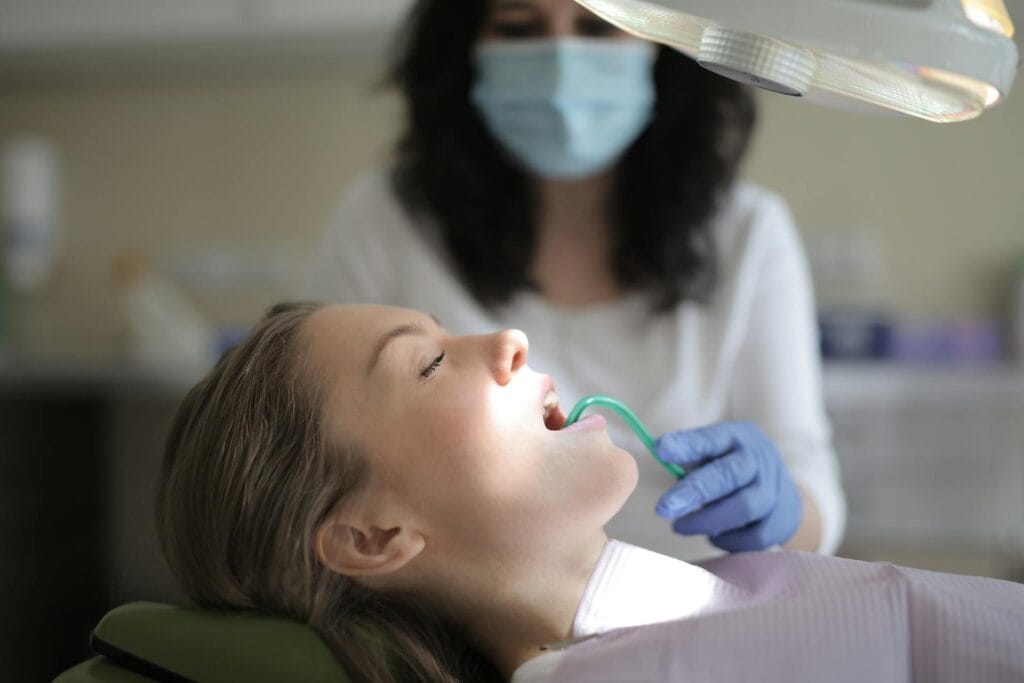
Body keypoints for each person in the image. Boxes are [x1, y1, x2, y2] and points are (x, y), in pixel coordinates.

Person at [157, 303, 1024, 683]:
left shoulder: (710, 602)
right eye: (427, 361)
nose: (508, 336)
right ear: (376, 535)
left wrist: (790, 516)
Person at [303, 0, 845, 560]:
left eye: (599, 26)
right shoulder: (383, 220)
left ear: (667, 46)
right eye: (518, 28)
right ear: (463, 50)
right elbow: (301, 449)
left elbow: (814, 497)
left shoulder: (749, 232)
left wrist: (782, 511)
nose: (561, 57)